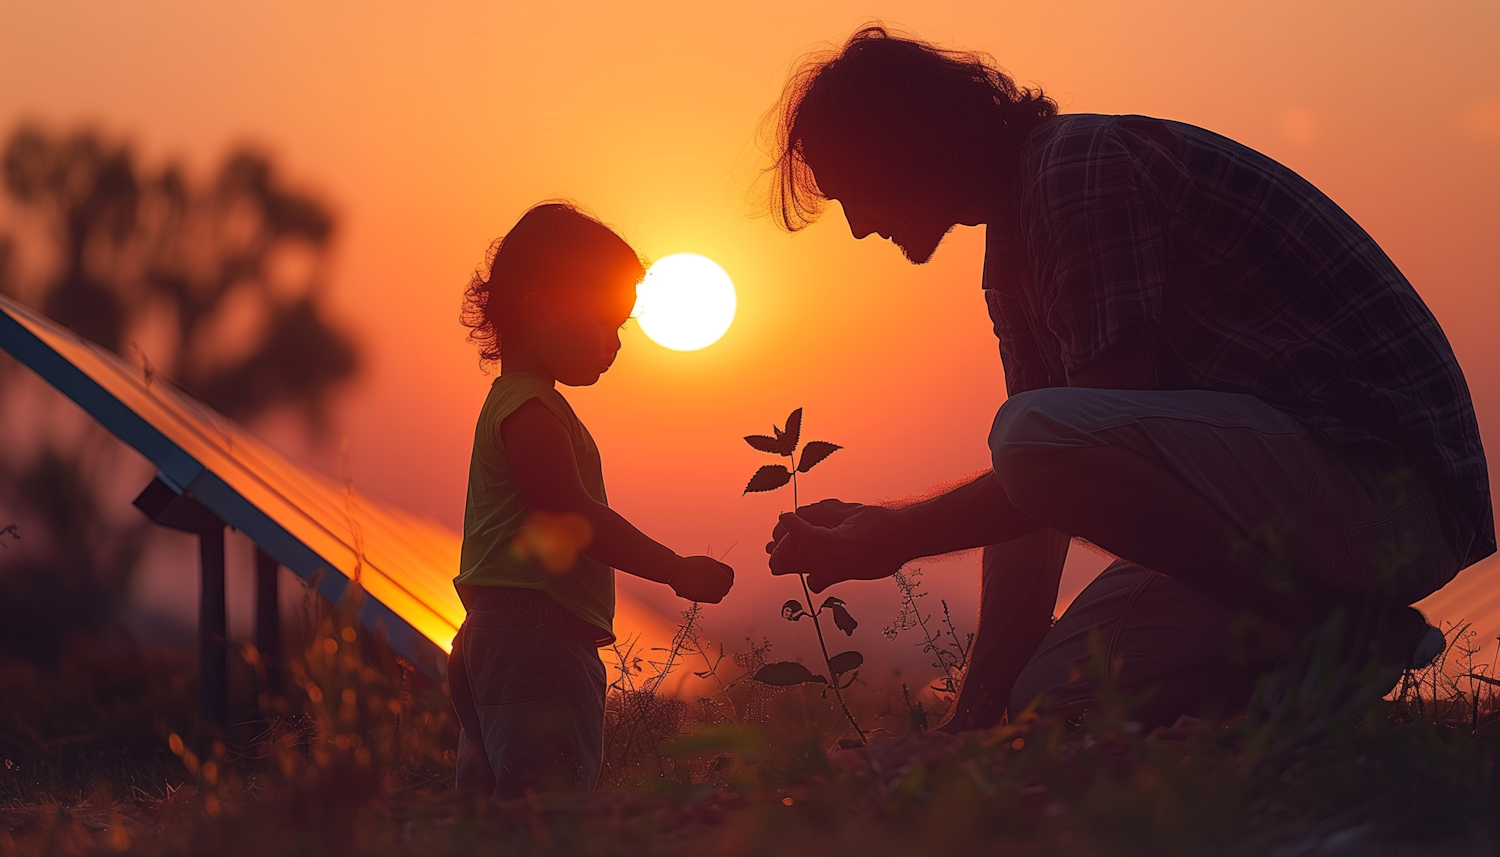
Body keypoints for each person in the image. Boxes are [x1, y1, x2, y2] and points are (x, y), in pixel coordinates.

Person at [762, 27, 1493, 730]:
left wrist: (897, 532)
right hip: (1285, 511)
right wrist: (976, 714)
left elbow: (1057, 452)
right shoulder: (1013, 252)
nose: (857, 226)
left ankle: (1332, 630)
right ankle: (1330, 661)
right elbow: (1042, 490)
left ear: (909, 146)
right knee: (1053, 701)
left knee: (1029, 433)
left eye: (853, 190)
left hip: (1385, 491)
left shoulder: (1078, 166)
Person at [449, 202, 734, 796]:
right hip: (537, 636)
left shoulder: (512, 402)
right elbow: (573, 516)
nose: (616, 343)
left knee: (494, 812)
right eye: (606, 322)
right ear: (539, 309)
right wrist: (674, 570)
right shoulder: (533, 411)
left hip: (493, 634)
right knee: (551, 807)